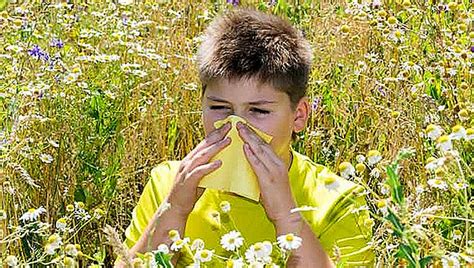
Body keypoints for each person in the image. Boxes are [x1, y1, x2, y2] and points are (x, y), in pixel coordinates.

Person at [120, 8, 374, 267]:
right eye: (219, 108)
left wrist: (287, 215)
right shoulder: (169, 185)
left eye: (259, 110)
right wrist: (175, 209)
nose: (235, 125)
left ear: (298, 116)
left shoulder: (337, 201)